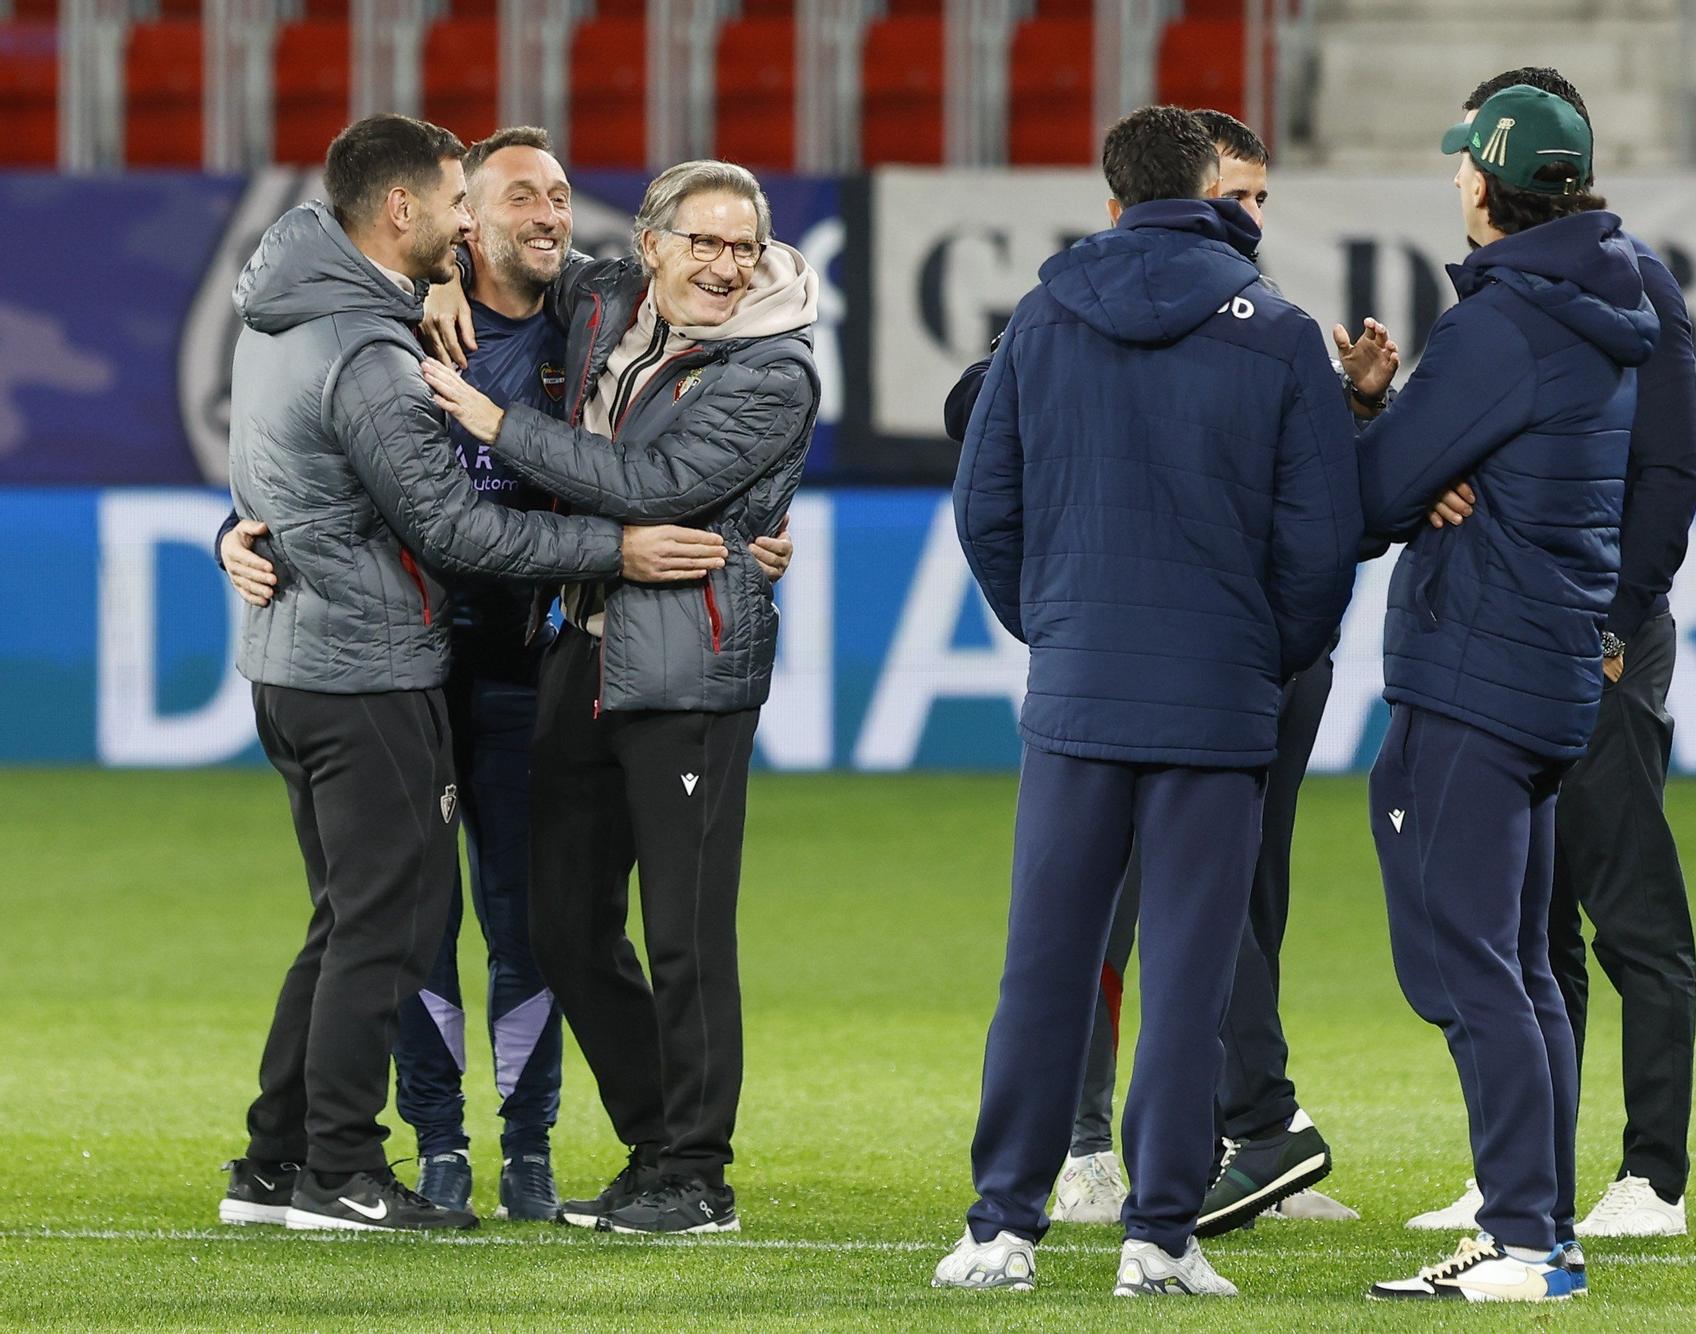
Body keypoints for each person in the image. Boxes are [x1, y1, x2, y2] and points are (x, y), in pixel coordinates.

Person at [215, 127, 795, 1222]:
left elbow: (681, 443)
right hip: (418, 662)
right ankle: (424, 1145)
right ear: (457, 217)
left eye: (562, 195)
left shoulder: (592, 311)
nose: (548, 214)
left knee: (531, 929)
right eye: (515, 196)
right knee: (404, 926)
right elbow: (316, 469)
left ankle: (530, 1152)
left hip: (540, 660)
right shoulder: (392, 325)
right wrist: (234, 533)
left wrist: (743, 527)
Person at [931, 105, 1362, 1298]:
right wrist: (1260, 653)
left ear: (1113, 199)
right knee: (1185, 977)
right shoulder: (1280, 334)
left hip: (1078, 691)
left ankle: (1000, 1228)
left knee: (1044, 967)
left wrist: (1057, 627)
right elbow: (1319, 541)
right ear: (1215, 198)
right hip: (1216, 704)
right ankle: (1160, 1238)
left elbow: (984, 502)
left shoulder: (1041, 317)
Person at [420, 158, 820, 1237]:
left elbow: (654, 489)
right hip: (582, 654)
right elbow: (520, 247)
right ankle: (655, 1144)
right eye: (704, 242)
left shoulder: (775, 368)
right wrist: (443, 272)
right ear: (650, 246)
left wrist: (497, 425)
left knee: (686, 934)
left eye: (744, 246)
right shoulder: (607, 299)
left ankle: (699, 1174)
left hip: (690, 676)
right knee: (563, 927)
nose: (726, 267)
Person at [1350, 86, 1659, 1301]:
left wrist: (1379, 422)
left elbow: (1379, 493)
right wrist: (1431, 458)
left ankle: (1525, 1237)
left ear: (1482, 182)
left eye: (1459, 169)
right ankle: (1537, 1229)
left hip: (1474, 665)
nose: (1452, 184)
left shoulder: (1500, 324)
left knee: (1465, 959)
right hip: (1538, 664)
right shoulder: (1599, 305)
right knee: (1518, 961)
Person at [1403, 66, 1696, 1243]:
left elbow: (1667, 469)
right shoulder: (1536, 291)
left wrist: (1616, 619)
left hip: (1597, 632)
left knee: (1627, 904)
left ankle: (1652, 1176)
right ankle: (1524, 1173)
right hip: (1535, 631)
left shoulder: (1632, 286)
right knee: (1530, 917)